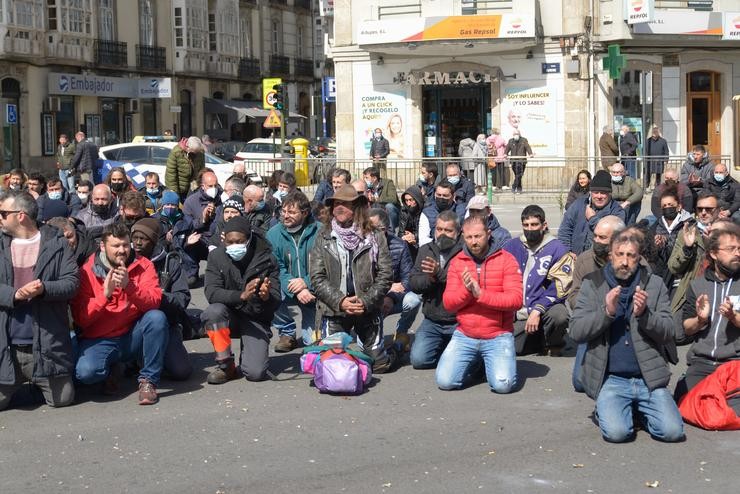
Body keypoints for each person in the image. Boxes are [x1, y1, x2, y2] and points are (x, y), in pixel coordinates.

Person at [569, 227, 684, 443]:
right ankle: (613, 407)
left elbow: (670, 331)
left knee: (672, 432)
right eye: (619, 254)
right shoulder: (593, 283)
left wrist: (645, 315)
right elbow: (576, 331)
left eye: (631, 256)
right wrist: (607, 313)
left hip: (648, 379)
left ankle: (640, 410)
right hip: (612, 379)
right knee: (618, 433)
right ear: (610, 255)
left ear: (638, 257)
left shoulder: (655, 284)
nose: (624, 261)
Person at [72, 222, 169, 405]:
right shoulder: (86, 271)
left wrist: (129, 287)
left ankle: (148, 381)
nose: (122, 250)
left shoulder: (143, 264)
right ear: (103, 246)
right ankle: (113, 369)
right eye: (115, 246)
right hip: (101, 338)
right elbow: (81, 319)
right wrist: (105, 294)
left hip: (132, 334)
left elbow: (154, 302)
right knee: (86, 373)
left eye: (125, 245)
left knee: (156, 319)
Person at [0, 190, 78, 411]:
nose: (0, 217)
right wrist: (14, 295)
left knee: (62, 399)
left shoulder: (56, 242)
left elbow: (71, 283)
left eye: (3, 213)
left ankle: (37, 380)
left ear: (21, 215)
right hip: (7, 346)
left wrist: (44, 289)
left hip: (44, 345)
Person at [309, 184, 397, 373]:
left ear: (357, 208)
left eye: (345, 204)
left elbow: (385, 275)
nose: (339, 207)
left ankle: (391, 350)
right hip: (334, 309)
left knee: (379, 364)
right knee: (333, 364)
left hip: (367, 308)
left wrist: (365, 301)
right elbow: (317, 278)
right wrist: (341, 301)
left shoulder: (375, 235)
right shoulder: (323, 236)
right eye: (336, 204)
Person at [435, 215, 523, 393]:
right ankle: (477, 363)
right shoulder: (458, 262)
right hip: (465, 334)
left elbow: (516, 300)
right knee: (445, 382)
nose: (473, 242)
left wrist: (481, 294)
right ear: (463, 237)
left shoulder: (506, 259)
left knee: (503, 385)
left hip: (498, 335)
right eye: (469, 237)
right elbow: (449, 304)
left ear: (488, 233)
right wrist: (467, 292)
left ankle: (488, 362)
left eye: (478, 236)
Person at [201, 217, 281, 383]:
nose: (234, 246)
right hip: (229, 315)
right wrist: (241, 295)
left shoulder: (267, 258)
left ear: (249, 238)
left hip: (256, 318)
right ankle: (225, 365)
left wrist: (266, 297)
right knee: (213, 312)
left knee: (255, 373)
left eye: (239, 241)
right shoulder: (216, 256)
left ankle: (249, 353)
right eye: (230, 242)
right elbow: (212, 292)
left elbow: (276, 299)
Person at [675, 224, 740, 401]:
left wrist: (734, 317)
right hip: (702, 363)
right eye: (731, 249)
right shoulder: (698, 284)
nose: (738, 253)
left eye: (739, 248)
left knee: (730, 406)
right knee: (686, 402)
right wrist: (701, 320)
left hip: (734, 363)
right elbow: (687, 328)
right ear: (713, 253)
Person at [504, 205, 571, 356]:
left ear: (544, 225)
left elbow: (560, 286)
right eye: (526, 225)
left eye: (534, 225)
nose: (530, 229)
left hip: (545, 307)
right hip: (517, 311)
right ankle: (536, 338)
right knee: (510, 349)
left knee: (559, 315)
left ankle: (552, 342)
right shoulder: (511, 246)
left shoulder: (557, 248)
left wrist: (538, 309)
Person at [130, 219, 193, 381]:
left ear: (153, 241)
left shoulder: (169, 263)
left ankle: (159, 355)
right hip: (132, 325)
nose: (137, 243)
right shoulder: (126, 260)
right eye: (134, 238)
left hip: (166, 323)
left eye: (143, 239)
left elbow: (182, 298)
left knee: (181, 371)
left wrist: (158, 296)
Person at [408, 210, 463, 369]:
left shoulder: (465, 251)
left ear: (458, 232)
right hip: (432, 320)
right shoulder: (426, 250)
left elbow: (463, 283)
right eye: (439, 229)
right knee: (419, 360)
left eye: (448, 230)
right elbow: (413, 282)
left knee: (458, 363)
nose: (443, 234)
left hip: (458, 321)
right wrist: (430, 279)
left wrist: (438, 274)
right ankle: (443, 349)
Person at [266, 191, 319, 352]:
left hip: (314, 290)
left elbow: (326, 267)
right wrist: (295, 287)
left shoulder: (321, 232)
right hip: (288, 288)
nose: (286, 215)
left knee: (312, 345)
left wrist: (306, 283)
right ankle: (286, 332)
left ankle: (317, 329)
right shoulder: (273, 234)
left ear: (304, 213)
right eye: (284, 211)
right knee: (268, 291)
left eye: (292, 212)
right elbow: (276, 268)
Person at [667, 192, 722, 345]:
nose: (703, 213)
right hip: (692, 288)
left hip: (720, 287)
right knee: (677, 335)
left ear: (718, 210)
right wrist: (687, 249)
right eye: (700, 209)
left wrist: (713, 243)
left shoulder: (729, 232)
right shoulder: (687, 232)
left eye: (709, 209)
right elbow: (673, 267)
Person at [368, 208, 421, 348]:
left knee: (413, 300)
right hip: (370, 298)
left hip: (394, 298)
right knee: (371, 349)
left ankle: (402, 332)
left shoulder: (399, 245)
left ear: (383, 229)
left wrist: (391, 297)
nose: (367, 232)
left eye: (371, 228)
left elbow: (408, 279)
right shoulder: (360, 245)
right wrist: (387, 290)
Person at [558, 170, 626, 254]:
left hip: (601, 260)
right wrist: (567, 252)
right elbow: (565, 230)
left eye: (603, 193)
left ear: (610, 194)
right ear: (590, 193)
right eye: (596, 192)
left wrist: (592, 219)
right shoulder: (578, 204)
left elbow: (613, 236)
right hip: (574, 258)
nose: (599, 196)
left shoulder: (617, 211)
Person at [645, 187, 693, 292]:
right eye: (664, 206)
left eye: (670, 205)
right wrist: (656, 246)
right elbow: (649, 254)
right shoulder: (656, 226)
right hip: (661, 275)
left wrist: (666, 241)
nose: (667, 208)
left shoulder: (688, 225)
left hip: (681, 276)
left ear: (679, 206)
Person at [182, 171, 223, 285]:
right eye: (210, 186)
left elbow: (222, 224)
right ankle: (191, 273)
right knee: (188, 243)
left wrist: (214, 216)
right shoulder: (191, 201)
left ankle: (219, 275)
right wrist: (203, 219)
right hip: (199, 239)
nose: (214, 189)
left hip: (216, 239)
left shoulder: (221, 200)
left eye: (216, 185)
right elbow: (187, 225)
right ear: (203, 186)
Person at [418, 180, 459, 246]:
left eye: (445, 196)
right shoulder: (427, 213)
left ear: (453, 196)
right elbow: (423, 240)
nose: (441, 198)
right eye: (439, 195)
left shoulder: (461, 211)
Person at [166, 136, 206, 201]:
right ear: (187, 147)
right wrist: (175, 194)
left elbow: (201, 170)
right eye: (194, 152)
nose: (196, 153)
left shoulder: (200, 152)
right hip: (180, 188)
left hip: (193, 187)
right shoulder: (176, 152)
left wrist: (197, 185)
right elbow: (171, 175)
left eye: (197, 152)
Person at [362, 166, 401, 231]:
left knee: (389, 206)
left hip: (387, 210)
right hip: (375, 210)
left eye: (366, 178)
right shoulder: (366, 186)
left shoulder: (388, 183)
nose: (364, 180)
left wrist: (378, 199)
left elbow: (393, 199)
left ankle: (391, 230)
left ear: (374, 178)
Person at [398, 185, 425, 259]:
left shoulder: (425, 210)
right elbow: (401, 232)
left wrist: (415, 237)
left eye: (411, 200)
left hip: (421, 240)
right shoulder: (404, 211)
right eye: (406, 200)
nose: (408, 203)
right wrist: (405, 237)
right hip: (409, 241)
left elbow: (427, 233)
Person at [644, 126, 669, 190]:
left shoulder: (663, 141)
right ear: (652, 133)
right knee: (648, 174)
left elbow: (666, 150)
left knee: (658, 175)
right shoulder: (648, 141)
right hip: (650, 161)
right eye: (654, 131)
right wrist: (645, 159)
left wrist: (666, 159)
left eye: (656, 131)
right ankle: (647, 186)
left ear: (658, 132)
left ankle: (657, 187)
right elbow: (645, 151)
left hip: (659, 161)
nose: (655, 133)